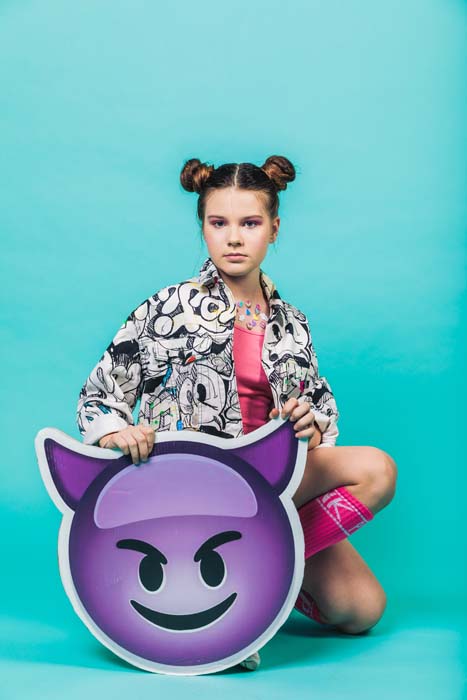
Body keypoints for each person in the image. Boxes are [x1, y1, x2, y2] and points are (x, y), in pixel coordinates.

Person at [77, 155, 397, 672]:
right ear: (202, 227)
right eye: (218, 223)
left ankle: (260, 573)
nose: (233, 238)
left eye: (249, 223)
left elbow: (320, 410)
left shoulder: (293, 323)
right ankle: (239, 605)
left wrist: (310, 424)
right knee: (362, 595)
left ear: (274, 229)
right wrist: (117, 432)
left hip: (270, 482)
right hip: (195, 484)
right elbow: (100, 395)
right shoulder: (168, 307)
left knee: (362, 609)